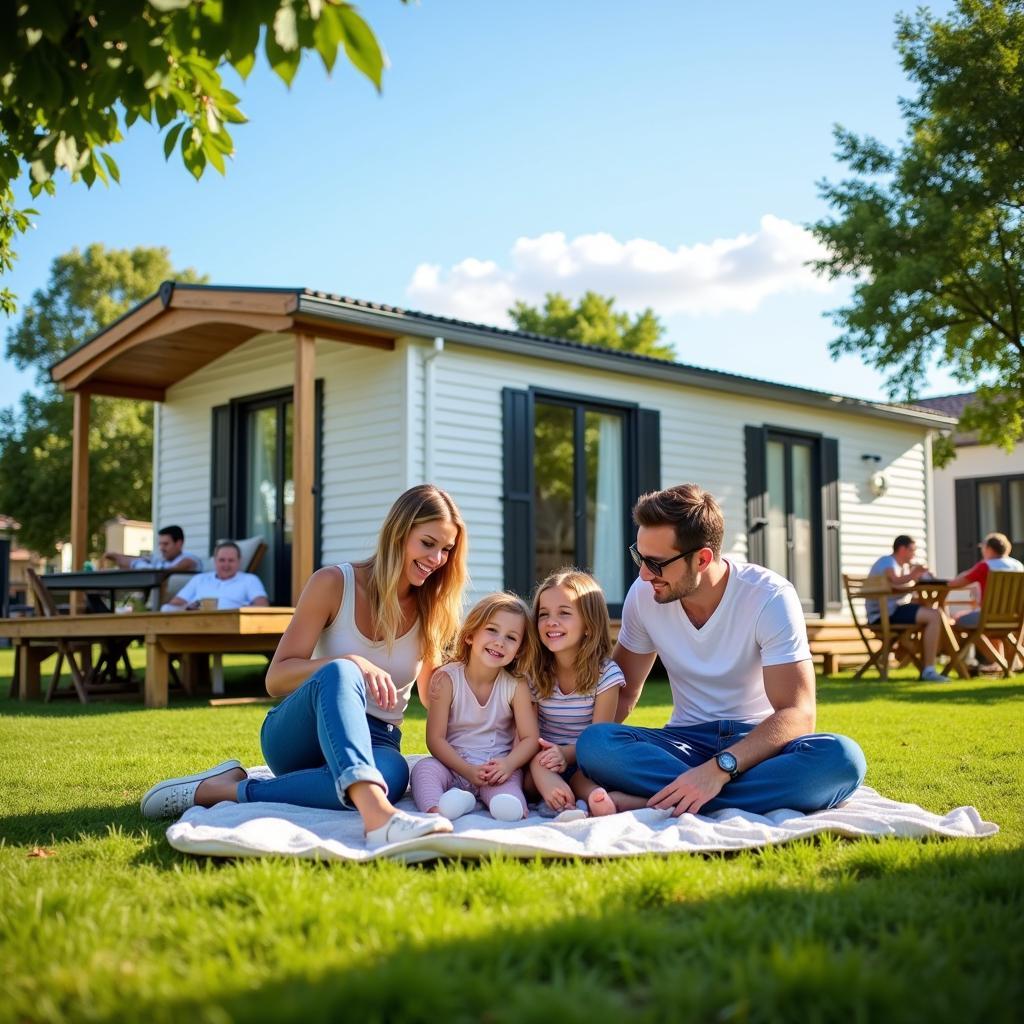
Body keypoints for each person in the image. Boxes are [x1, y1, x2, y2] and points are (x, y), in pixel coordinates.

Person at [141, 484, 468, 849]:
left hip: (378, 737)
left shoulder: (431, 607)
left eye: (446, 549)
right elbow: (276, 678)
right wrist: (348, 662)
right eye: (428, 543)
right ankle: (378, 817)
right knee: (342, 672)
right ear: (398, 533)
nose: (437, 558)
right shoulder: (334, 584)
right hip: (303, 732)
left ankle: (224, 789)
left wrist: (495, 678)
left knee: (390, 778)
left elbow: (434, 693)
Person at [575, 483, 866, 818]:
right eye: (639, 557)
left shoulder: (769, 597)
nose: (643, 574)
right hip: (682, 744)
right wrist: (571, 753)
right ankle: (701, 793)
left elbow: (798, 714)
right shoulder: (643, 596)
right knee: (596, 744)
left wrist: (719, 770)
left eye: (655, 563)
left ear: (702, 559)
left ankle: (660, 798)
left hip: (757, 746)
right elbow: (622, 695)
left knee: (843, 758)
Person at [410, 593, 539, 822]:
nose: (500, 641)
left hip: (495, 769)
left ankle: (507, 805)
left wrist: (508, 764)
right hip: (452, 766)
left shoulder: (516, 686)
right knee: (423, 769)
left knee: (508, 787)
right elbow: (435, 739)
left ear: (518, 650)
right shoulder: (446, 679)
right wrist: (466, 770)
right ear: (470, 635)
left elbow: (530, 738)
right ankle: (438, 809)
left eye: (511, 637)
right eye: (492, 630)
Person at [524, 568, 624, 819]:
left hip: (587, 758)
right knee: (532, 773)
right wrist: (548, 758)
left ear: (589, 625)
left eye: (564, 613)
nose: (551, 622)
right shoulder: (533, 673)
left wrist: (566, 754)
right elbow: (528, 734)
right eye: (543, 614)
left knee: (585, 777)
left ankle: (593, 798)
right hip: (544, 760)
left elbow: (599, 736)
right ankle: (562, 800)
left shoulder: (606, 674)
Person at [865, 534, 949, 682]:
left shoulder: (902, 566)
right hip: (884, 615)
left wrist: (920, 576)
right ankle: (929, 670)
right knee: (934, 615)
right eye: (912, 550)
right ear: (902, 549)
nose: (914, 554)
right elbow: (894, 581)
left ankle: (926, 665)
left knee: (931, 610)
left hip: (894, 610)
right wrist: (915, 574)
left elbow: (899, 587)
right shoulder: (887, 561)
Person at [159, 541, 269, 611]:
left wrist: (238, 610)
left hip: (233, 625)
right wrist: (188, 607)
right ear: (215, 561)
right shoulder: (200, 579)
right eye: (222, 560)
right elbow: (174, 604)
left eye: (231, 560)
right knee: (165, 608)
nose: (226, 565)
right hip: (198, 623)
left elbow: (263, 605)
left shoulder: (249, 580)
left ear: (239, 561)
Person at [946, 532, 1024, 628]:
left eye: (982, 547)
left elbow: (954, 584)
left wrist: (976, 567)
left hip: (988, 618)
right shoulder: (1019, 566)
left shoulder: (986, 566)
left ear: (989, 549)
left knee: (955, 619)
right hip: (1016, 618)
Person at [105, 524, 201, 571]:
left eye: (166, 544)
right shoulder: (161, 559)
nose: (161, 548)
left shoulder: (189, 559)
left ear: (179, 543)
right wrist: (119, 557)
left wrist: (139, 564)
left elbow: (165, 573)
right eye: (160, 544)